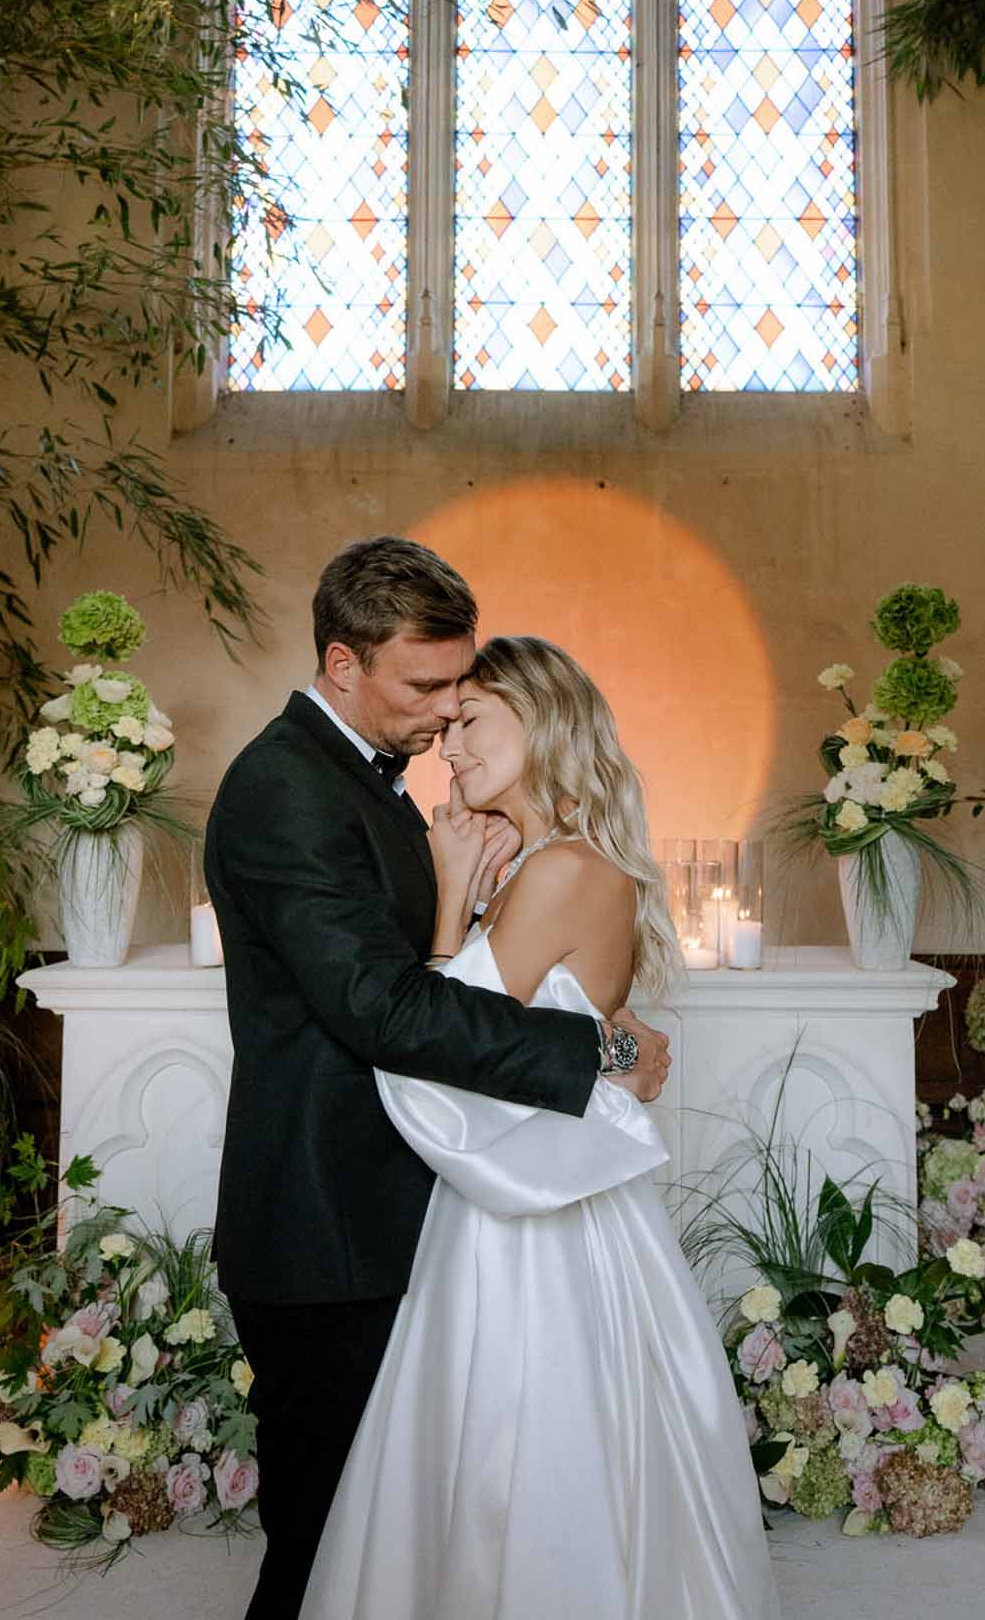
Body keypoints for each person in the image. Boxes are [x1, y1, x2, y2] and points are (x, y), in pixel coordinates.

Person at [205, 539, 671, 1620]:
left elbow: (471, 970)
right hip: (327, 1220)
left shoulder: (358, 781)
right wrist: (591, 1048)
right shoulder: (286, 789)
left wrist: (587, 1001)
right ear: (340, 664)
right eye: (424, 688)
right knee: (327, 1555)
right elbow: (383, 1007)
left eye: (462, 689)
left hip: (402, 1207)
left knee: (401, 1548)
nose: (442, 715)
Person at [299, 635, 780, 1620]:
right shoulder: (543, 864)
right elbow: (553, 1029)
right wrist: (604, 1037)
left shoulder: (560, 869)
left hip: (529, 1220)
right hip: (532, 1187)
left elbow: (441, 1063)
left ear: (543, 721)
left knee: (518, 1451)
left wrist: (444, 920)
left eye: (471, 719)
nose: (448, 744)